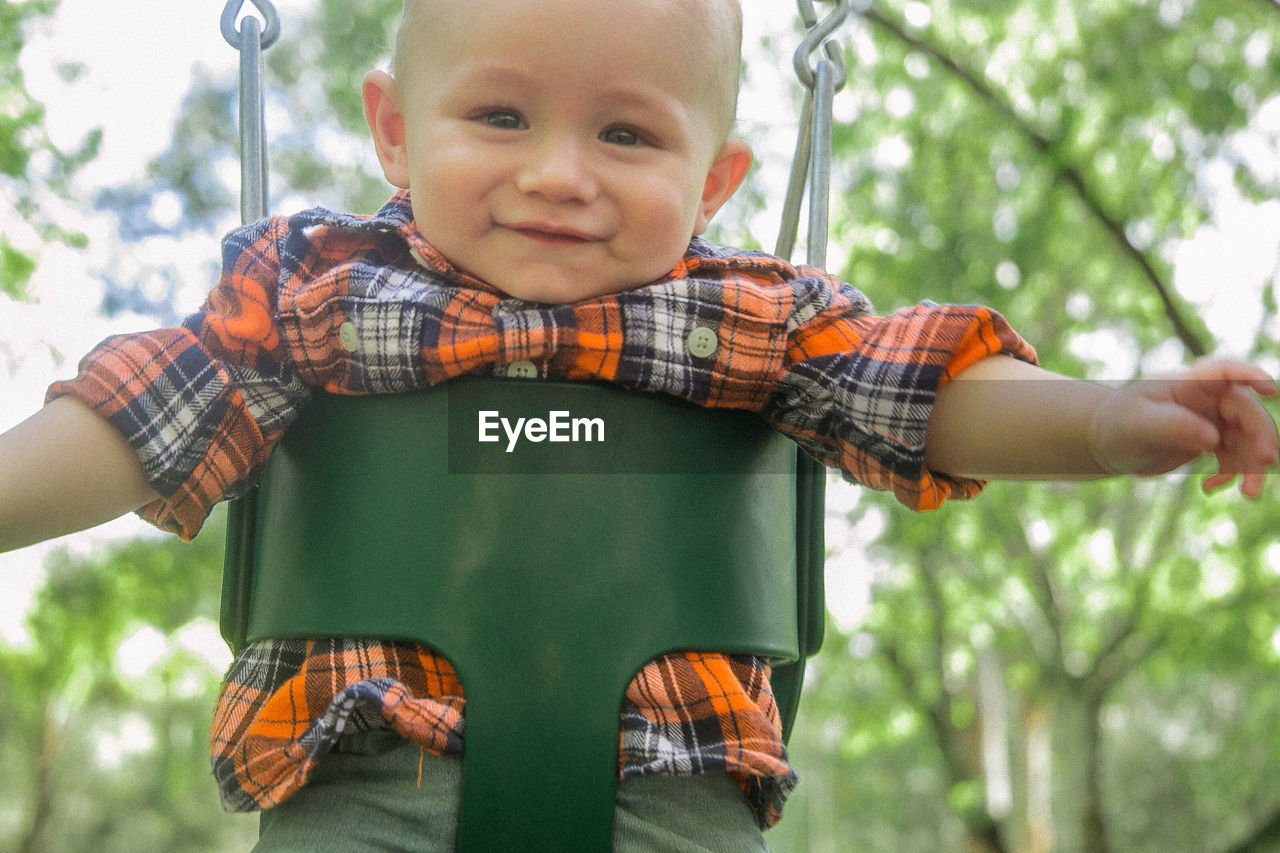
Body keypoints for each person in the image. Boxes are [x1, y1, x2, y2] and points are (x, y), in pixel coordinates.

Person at [1, 0, 1276, 849]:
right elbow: (142, 417)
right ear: (394, 131)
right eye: (499, 117)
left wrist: (1108, 418)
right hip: (364, 778)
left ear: (714, 178)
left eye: (626, 133)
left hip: (677, 790)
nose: (560, 173)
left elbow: (921, 390)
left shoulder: (758, 317)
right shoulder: (311, 291)